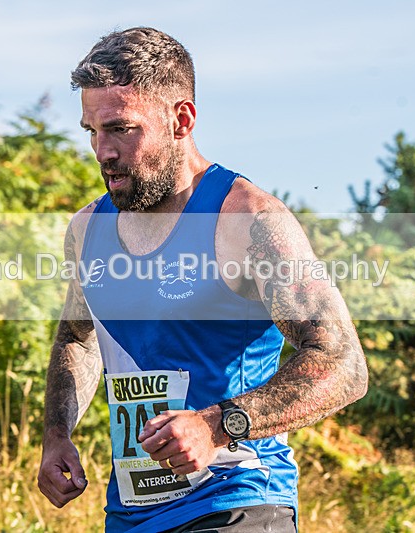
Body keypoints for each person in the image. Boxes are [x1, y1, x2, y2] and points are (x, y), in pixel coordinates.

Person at [37, 27, 368, 532]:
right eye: (91, 131)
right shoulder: (87, 230)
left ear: (181, 119)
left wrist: (218, 425)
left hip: (237, 501)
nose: (103, 152)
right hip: (130, 513)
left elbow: (342, 363)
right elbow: (79, 341)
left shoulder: (249, 219)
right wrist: (57, 432)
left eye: (122, 129)